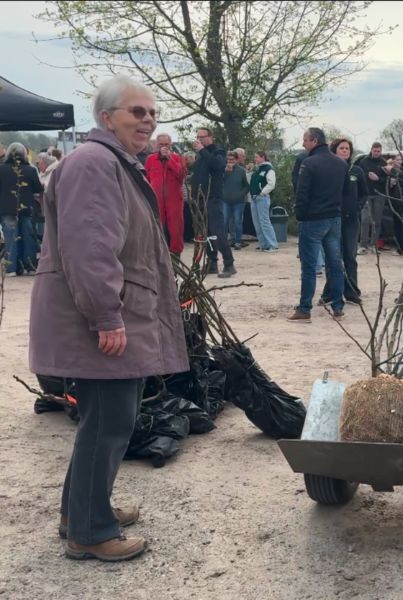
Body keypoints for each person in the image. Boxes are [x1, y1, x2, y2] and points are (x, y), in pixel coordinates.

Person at [28, 75, 189, 562]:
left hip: (113, 314)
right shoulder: (96, 163)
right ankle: (91, 531)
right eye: (136, 112)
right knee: (110, 421)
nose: (148, 120)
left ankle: (78, 512)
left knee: (103, 420)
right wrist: (106, 318)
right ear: (106, 118)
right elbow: (91, 247)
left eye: (152, 113)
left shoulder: (111, 162)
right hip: (99, 320)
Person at [288, 127, 348, 323]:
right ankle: (338, 306)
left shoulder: (309, 163)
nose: (303, 143)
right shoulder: (340, 163)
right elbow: (344, 191)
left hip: (313, 218)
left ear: (314, 140)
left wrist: (300, 215)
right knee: (335, 264)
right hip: (334, 217)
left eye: (305, 140)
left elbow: (302, 193)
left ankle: (305, 308)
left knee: (309, 266)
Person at [320, 137, 368, 305]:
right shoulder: (329, 170)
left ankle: (352, 292)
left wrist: (358, 206)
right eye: (341, 148)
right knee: (333, 256)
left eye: (347, 148)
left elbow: (364, 193)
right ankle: (330, 293)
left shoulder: (356, 171)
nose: (345, 151)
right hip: (332, 219)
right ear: (334, 151)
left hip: (351, 221)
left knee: (349, 255)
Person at [191, 127, 236, 277]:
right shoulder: (201, 156)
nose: (199, 140)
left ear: (210, 137)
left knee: (217, 231)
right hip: (201, 199)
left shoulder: (218, 152)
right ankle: (212, 263)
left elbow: (217, 165)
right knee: (207, 233)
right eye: (197, 137)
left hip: (213, 198)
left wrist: (203, 150)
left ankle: (229, 264)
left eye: (202, 137)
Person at [0, 142, 44, 275]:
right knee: (28, 237)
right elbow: (38, 189)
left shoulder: (1, 169)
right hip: (26, 209)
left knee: (10, 238)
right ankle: (30, 267)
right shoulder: (30, 170)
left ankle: (11, 269)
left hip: (7, 209)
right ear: (25, 154)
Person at [144, 133, 186, 255]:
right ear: (157, 145)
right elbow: (146, 178)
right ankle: (157, 253)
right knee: (157, 226)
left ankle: (176, 254)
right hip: (156, 199)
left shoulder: (178, 158)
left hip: (174, 199)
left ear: (171, 144)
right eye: (161, 144)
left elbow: (181, 175)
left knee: (176, 227)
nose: (164, 147)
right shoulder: (151, 159)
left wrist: (170, 159)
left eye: (166, 144)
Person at [357, 141, 388, 253]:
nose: (376, 153)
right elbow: (359, 177)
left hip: (379, 195)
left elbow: (387, 181)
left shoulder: (384, 163)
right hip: (366, 195)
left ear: (381, 151)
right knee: (365, 220)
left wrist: (378, 179)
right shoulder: (364, 162)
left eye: (378, 151)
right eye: (375, 151)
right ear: (371, 150)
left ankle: (374, 245)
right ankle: (363, 245)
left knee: (377, 221)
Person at [250, 150, 279, 251]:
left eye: (256, 157)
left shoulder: (268, 169)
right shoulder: (257, 169)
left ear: (263, 157)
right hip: (254, 198)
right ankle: (263, 244)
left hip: (262, 198)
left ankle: (273, 244)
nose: (255, 159)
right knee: (257, 222)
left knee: (264, 221)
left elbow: (271, 184)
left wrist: (262, 192)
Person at [222, 150, 249, 250]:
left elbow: (246, 186)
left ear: (237, 160)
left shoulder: (241, 171)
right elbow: (219, 182)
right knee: (224, 221)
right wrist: (225, 173)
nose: (230, 161)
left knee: (238, 221)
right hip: (225, 200)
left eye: (232, 159)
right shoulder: (223, 170)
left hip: (239, 202)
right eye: (228, 159)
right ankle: (224, 241)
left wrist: (240, 195)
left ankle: (237, 241)